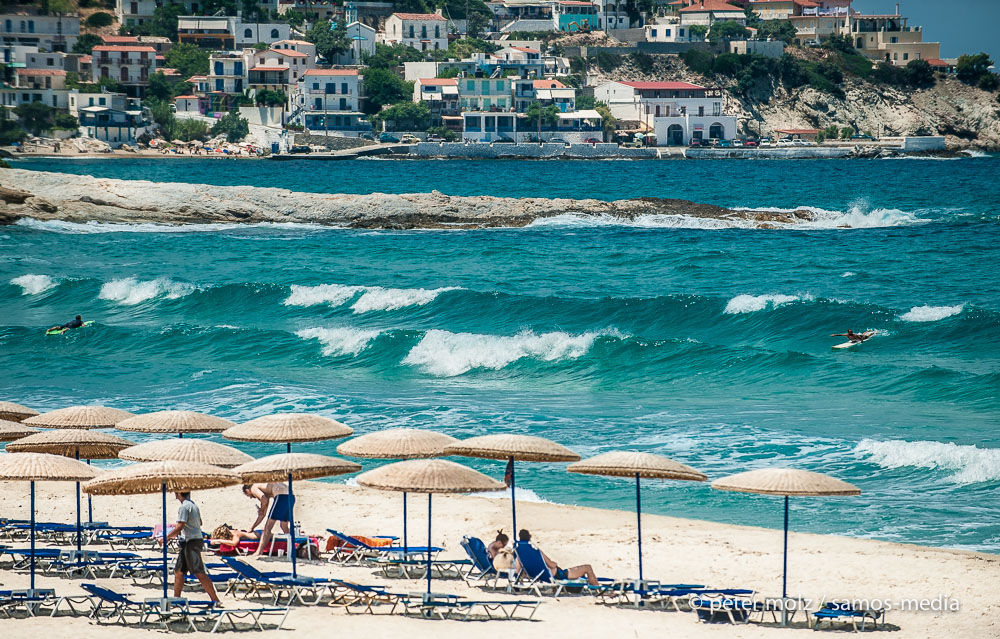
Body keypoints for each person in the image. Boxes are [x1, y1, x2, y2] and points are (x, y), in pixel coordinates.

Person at [165, 491, 221, 605]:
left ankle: (215, 600)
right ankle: (176, 600)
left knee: (199, 572)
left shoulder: (184, 507)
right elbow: (200, 522)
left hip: (191, 542)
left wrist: (167, 537)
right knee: (179, 571)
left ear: (179, 494)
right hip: (191, 541)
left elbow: (181, 525)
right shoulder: (193, 505)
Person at [514, 529, 599, 586]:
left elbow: (517, 570)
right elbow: (551, 565)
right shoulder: (536, 550)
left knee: (581, 573)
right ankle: (597, 588)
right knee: (587, 568)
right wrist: (555, 563)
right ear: (529, 537)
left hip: (535, 575)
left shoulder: (518, 551)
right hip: (557, 575)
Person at [244, 483, 294, 557]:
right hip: (291, 496)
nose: (251, 497)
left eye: (248, 495)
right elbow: (262, 515)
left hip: (281, 496)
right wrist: (252, 528)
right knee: (284, 526)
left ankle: (259, 552)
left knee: (267, 528)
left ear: (247, 490)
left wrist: (261, 509)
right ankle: (294, 548)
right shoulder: (265, 490)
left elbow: (264, 499)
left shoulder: (253, 487)